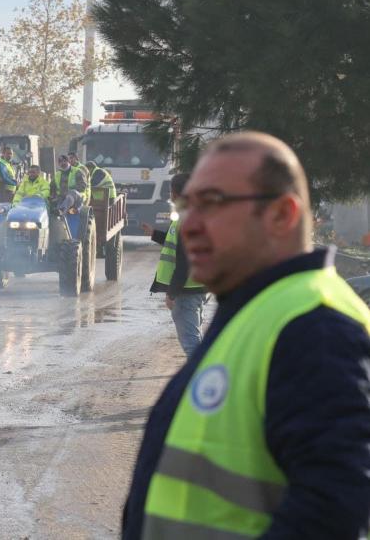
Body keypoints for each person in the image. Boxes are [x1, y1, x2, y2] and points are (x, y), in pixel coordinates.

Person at [123, 132, 370, 540]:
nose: (190, 225)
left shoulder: (316, 328)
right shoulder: (257, 309)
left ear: (281, 215)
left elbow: (335, 508)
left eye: (212, 204)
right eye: (186, 206)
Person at [140, 173, 206, 356]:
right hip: (197, 287)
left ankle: (200, 379)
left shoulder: (186, 218)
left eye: (171, 191)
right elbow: (177, 245)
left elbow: (184, 261)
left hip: (186, 291)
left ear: (177, 194)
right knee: (195, 339)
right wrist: (154, 234)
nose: (170, 195)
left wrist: (172, 293)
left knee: (191, 343)